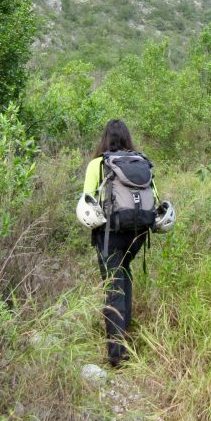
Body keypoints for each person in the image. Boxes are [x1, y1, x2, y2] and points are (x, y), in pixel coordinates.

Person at [82, 119, 151, 368]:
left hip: (109, 233)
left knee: (113, 287)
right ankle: (124, 339)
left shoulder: (98, 164)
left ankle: (116, 355)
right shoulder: (141, 162)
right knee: (124, 274)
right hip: (138, 233)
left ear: (105, 139)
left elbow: (87, 199)